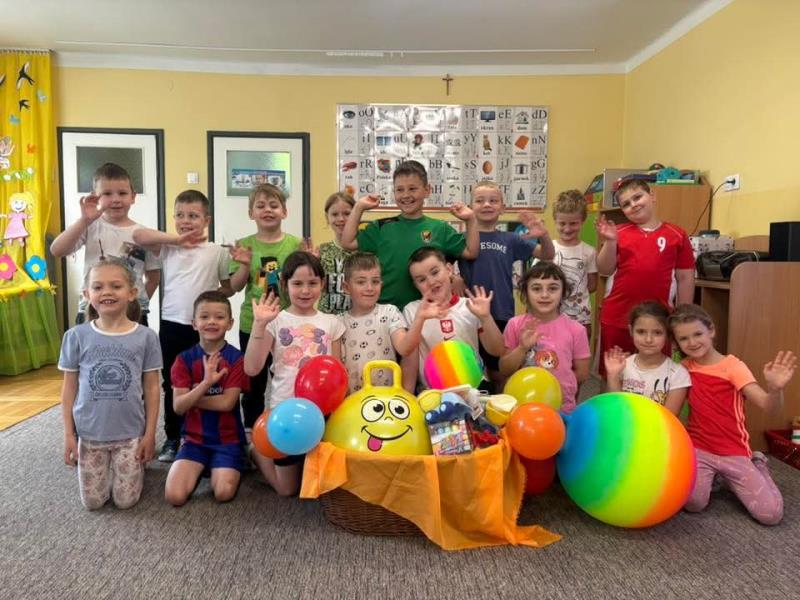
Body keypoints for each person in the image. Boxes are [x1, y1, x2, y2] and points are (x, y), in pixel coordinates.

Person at [667, 304, 795, 525]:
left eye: (697, 334)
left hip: (734, 452)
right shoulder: (684, 367)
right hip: (699, 449)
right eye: (684, 338)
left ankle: (758, 464)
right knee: (693, 504)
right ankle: (716, 477)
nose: (692, 342)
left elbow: (768, 406)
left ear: (711, 330)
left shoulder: (734, 367)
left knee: (770, 516)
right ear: (677, 343)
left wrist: (775, 389)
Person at [133, 190, 233, 463]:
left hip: (205, 328)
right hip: (172, 323)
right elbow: (139, 236)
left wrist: (214, 301)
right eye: (180, 215)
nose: (186, 221)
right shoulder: (167, 247)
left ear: (206, 220)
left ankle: (204, 434)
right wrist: (176, 239)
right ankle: (173, 437)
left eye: (193, 216)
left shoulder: (216, 251)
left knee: (207, 381)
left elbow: (227, 288)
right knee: (173, 381)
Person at [58, 258, 161, 510]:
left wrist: (150, 435)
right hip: (90, 433)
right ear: (86, 294)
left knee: (126, 502)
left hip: (130, 433)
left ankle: (137, 470)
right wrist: (69, 435)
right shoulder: (75, 336)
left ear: (132, 293)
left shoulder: (146, 337)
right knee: (93, 503)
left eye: (116, 286)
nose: (107, 292)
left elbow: (152, 388)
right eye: (98, 287)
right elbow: (69, 389)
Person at [244, 251, 345, 496]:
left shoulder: (332, 322)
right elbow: (251, 368)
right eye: (297, 283)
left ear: (322, 283)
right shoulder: (275, 321)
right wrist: (259, 325)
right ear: (284, 284)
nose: (305, 290)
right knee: (287, 490)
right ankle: (257, 452)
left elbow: (337, 372)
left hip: (321, 414)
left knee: (322, 486)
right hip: (285, 414)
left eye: (312, 283)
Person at [340, 159, 479, 309]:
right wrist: (359, 207)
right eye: (399, 190)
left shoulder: (440, 228)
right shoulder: (380, 227)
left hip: (428, 312)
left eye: (412, 189)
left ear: (427, 190)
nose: (406, 195)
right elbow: (347, 243)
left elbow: (471, 252)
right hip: (386, 313)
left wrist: (471, 219)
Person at [457, 180, 554, 392]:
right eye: (480, 201)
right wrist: (453, 279)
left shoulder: (511, 239)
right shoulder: (461, 239)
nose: (487, 204)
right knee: (467, 370)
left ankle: (499, 407)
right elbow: (442, 266)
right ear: (470, 207)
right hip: (467, 314)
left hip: (500, 311)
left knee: (499, 372)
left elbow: (547, 255)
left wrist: (544, 235)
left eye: (493, 200)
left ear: (503, 207)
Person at [596, 179, 695, 374]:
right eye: (626, 204)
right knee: (613, 373)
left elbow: (685, 278)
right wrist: (610, 242)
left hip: (658, 321)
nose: (633, 205)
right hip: (618, 318)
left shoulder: (677, 234)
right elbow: (604, 269)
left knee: (655, 373)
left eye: (637, 197)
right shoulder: (618, 233)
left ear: (652, 196)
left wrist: (682, 318)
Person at [228, 183, 301, 434]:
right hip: (253, 323)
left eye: (273, 205)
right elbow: (235, 286)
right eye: (260, 206)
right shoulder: (245, 245)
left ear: (284, 212)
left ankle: (289, 428)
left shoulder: (295, 244)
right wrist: (244, 265)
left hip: (288, 325)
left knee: (288, 378)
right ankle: (251, 430)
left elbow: (303, 282)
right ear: (251, 213)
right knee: (253, 382)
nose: (267, 210)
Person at [164, 291, 248, 506]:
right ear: (194, 323)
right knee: (174, 496)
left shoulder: (237, 359)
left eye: (219, 317)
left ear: (230, 323)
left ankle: (231, 460)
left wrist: (191, 397)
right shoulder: (183, 360)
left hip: (228, 440)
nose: (211, 321)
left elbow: (227, 403)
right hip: (194, 440)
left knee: (223, 493)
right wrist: (206, 384)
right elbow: (178, 407)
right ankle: (202, 465)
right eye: (204, 317)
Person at [50, 162, 160, 326]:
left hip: (132, 312)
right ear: (96, 197)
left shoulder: (145, 235)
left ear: (133, 197)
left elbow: (153, 277)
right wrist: (84, 220)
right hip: (92, 309)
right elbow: (57, 250)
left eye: (122, 193)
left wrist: (137, 304)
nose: (115, 199)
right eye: (107, 193)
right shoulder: (89, 226)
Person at [403, 247, 505, 390]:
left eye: (435, 272)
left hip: (474, 389)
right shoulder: (412, 311)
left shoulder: (470, 306)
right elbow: (409, 359)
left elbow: (498, 350)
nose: (431, 282)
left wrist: (486, 318)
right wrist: (407, 395)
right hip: (433, 393)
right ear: (416, 285)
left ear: (449, 270)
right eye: (422, 280)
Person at [499, 262, 591, 413]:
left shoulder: (576, 330)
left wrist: (557, 387)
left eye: (553, 288)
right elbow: (504, 369)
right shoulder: (515, 325)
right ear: (526, 292)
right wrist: (522, 348)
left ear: (563, 292)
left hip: (561, 408)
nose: (544, 295)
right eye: (536, 288)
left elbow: (582, 373)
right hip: (522, 406)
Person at [341, 252, 438, 394]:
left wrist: (419, 318)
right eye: (361, 282)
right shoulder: (338, 323)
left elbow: (405, 348)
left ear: (381, 284)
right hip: (353, 401)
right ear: (346, 287)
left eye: (375, 281)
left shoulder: (389, 312)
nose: (369, 288)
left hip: (388, 398)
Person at [604, 301, 690, 407]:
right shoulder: (622, 366)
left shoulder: (677, 374)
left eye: (657, 333)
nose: (648, 340)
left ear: (667, 334)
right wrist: (613, 375)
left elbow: (669, 415)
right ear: (631, 331)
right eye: (641, 332)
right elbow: (614, 407)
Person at [548, 189, 598, 339]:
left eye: (573, 223)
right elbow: (534, 283)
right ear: (555, 220)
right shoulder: (547, 249)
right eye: (562, 223)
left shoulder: (589, 252)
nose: (567, 228)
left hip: (581, 320)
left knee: (579, 353)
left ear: (583, 221)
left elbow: (592, 285)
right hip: (550, 317)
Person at [318, 192, 355, 314]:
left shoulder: (365, 250)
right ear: (327, 217)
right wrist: (310, 264)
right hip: (327, 318)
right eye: (334, 214)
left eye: (347, 214)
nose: (341, 219)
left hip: (357, 318)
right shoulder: (322, 251)